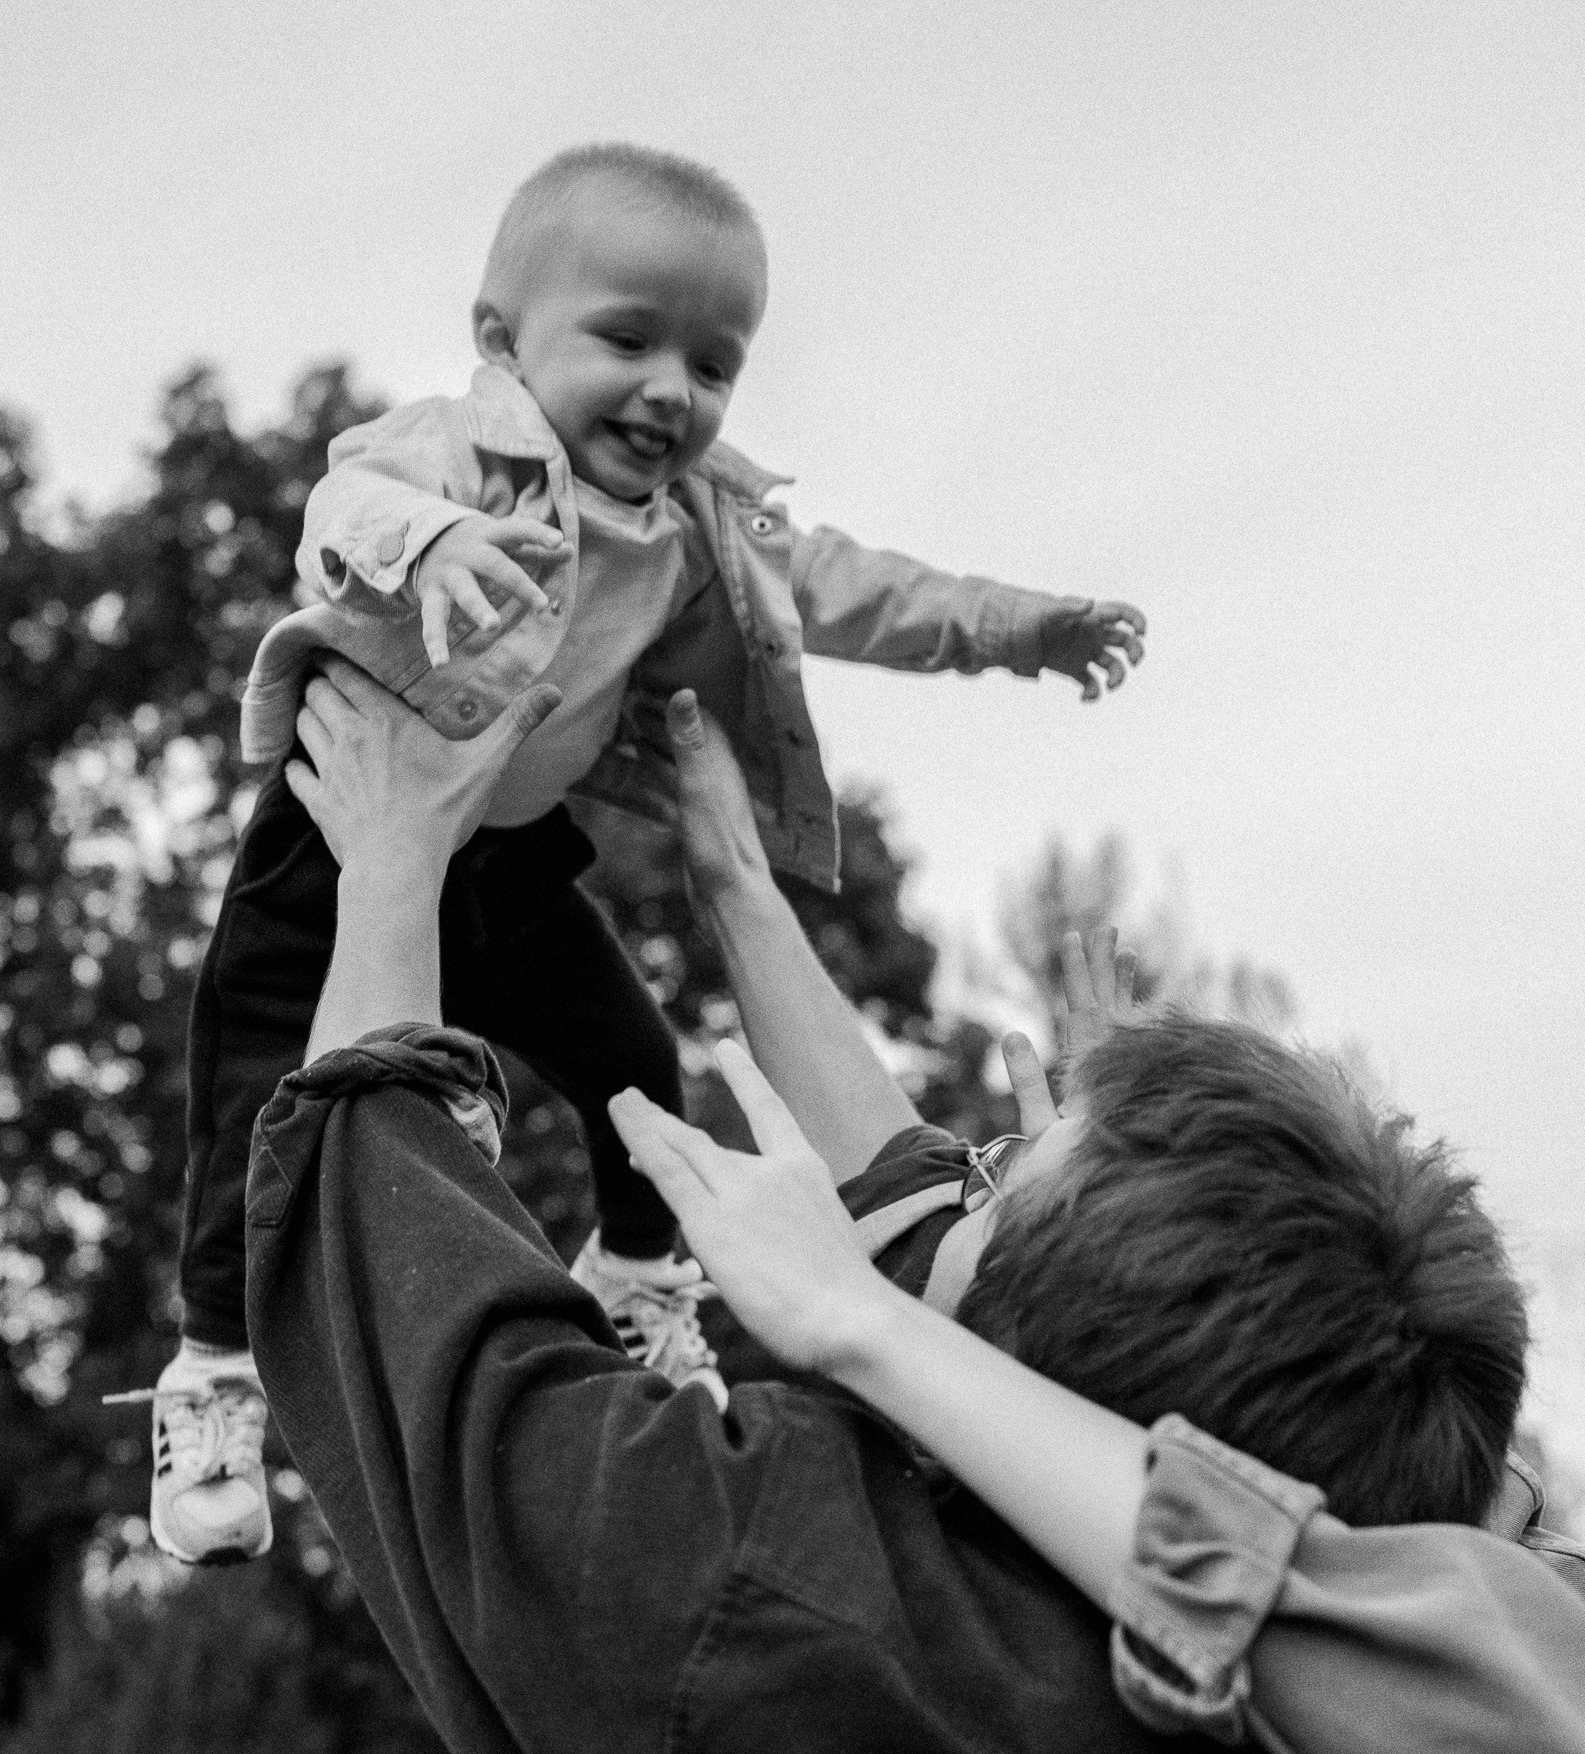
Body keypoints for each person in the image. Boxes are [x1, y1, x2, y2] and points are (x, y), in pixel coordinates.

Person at [246, 661, 1582, 1754]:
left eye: (992, 1182)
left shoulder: (738, 1581)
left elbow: (383, 1244)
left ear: (1015, 1377)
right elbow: (946, 1267)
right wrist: (736, 886)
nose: (955, 1168)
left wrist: (391, 858)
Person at [138, 139, 1145, 1567]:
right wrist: (433, 546)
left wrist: (1014, 629)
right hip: (340, 824)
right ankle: (215, 1370)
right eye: (627, 341)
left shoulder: (701, 525)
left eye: (713, 363)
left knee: (631, 1063)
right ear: (504, 340)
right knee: (254, 1088)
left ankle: (637, 1281)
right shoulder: (454, 451)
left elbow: (858, 589)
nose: (673, 390)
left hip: (509, 858)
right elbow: (341, 506)